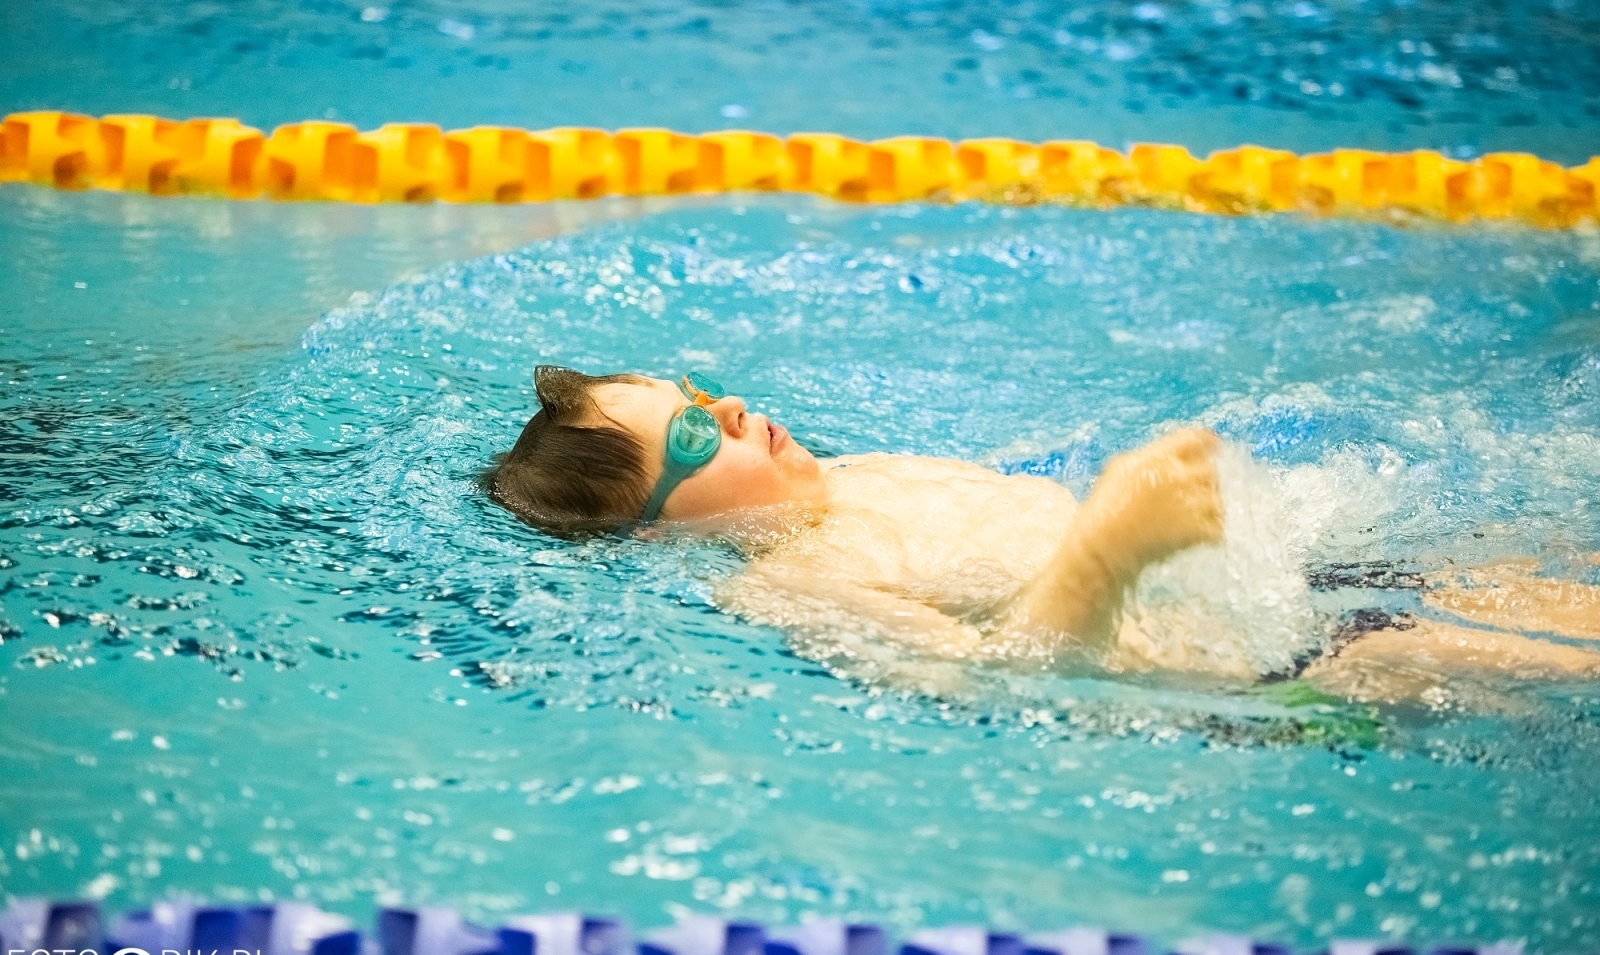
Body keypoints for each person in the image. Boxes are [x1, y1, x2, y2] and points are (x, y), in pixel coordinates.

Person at [480, 367, 1600, 704]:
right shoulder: (789, 587)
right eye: (688, 431)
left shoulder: (856, 474)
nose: (723, 407)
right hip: (1274, 675)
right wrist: (1111, 548)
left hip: (1296, 586)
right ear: (661, 530)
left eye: (696, 390)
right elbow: (1007, 682)